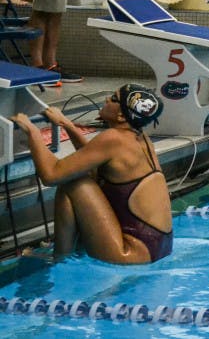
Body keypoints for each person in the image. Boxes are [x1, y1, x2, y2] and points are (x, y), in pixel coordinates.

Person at [10, 84, 173, 264]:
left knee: (75, 183)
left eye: (113, 98)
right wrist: (67, 125)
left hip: (130, 254)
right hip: (158, 248)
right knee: (77, 177)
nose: (106, 100)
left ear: (121, 115)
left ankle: (60, 259)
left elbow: (51, 175)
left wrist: (33, 132)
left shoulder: (114, 138)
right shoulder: (138, 138)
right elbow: (92, 161)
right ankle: (64, 254)